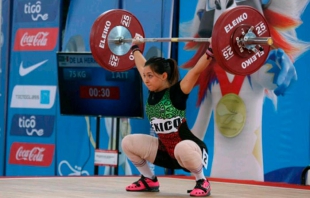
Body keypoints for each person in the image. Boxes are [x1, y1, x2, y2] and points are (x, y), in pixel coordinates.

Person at [121, 33, 213, 197]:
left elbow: (196, 71)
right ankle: (149, 180)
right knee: (128, 142)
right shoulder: (152, 89)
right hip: (166, 152)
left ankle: (202, 181)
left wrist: (212, 49)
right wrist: (134, 47)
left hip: (190, 151)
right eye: (145, 76)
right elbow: (141, 65)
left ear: (164, 76)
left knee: (181, 147)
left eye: (150, 76)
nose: (146, 80)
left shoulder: (178, 92)